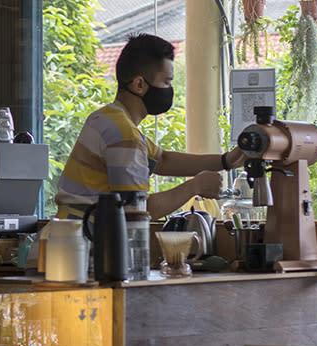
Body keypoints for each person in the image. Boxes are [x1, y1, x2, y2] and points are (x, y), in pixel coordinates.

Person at [54, 33, 245, 220]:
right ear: (139, 84)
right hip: (80, 244)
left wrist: (227, 161)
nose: (170, 89)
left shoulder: (106, 118)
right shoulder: (125, 135)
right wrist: (194, 187)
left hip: (68, 236)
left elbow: (163, 159)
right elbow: (137, 211)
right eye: (166, 82)